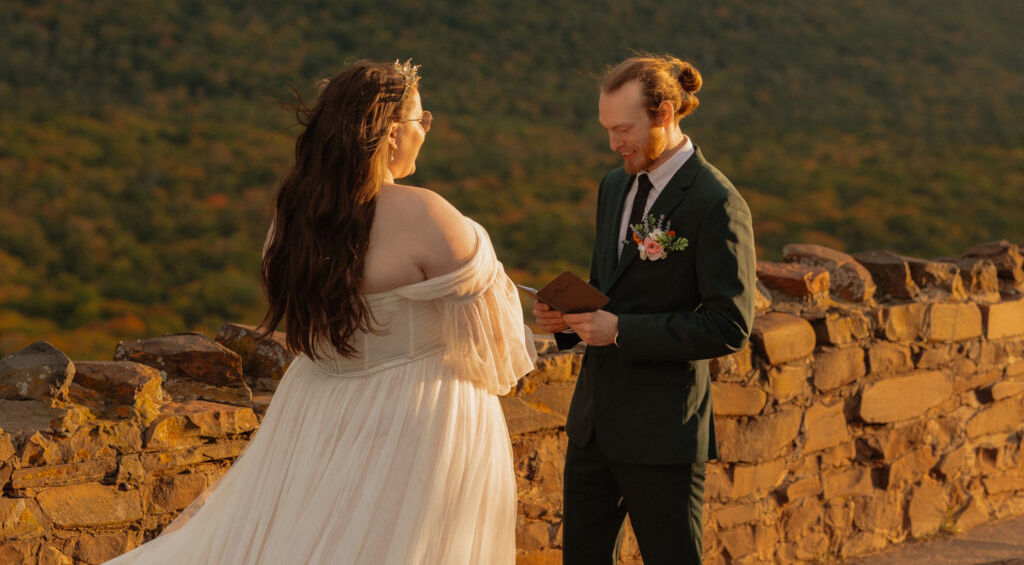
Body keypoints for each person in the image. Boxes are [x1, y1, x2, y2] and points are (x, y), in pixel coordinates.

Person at [108, 60, 536, 564]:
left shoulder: (291, 220)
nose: (425, 132)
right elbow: (494, 348)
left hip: (317, 404)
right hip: (419, 412)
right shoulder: (428, 215)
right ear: (392, 135)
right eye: (422, 121)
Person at [532, 54, 756, 564]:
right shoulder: (614, 186)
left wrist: (621, 331)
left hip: (664, 431)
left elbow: (729, 326)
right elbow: (608, 289)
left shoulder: (716, 202)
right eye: (607, 129)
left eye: (624, 128)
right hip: (592, 424)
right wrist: (566, 323)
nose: (613, 144)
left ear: (666, 114)